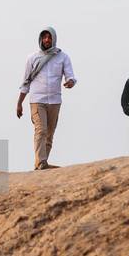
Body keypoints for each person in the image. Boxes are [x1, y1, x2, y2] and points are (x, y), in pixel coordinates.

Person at [16, 27, 76, 170]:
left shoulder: (62, 57)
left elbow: (71, 76)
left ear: (54, 39)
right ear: (40, 39)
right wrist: (19, 103)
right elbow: (25, 82)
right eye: (44, 37)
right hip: (37, 100)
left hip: (55, 101)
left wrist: (71, 82)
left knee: (49, 134)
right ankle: (41, 162)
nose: (47, 40)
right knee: (41, 130)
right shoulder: (32, 58)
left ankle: (41, 164)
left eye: (49, 37)